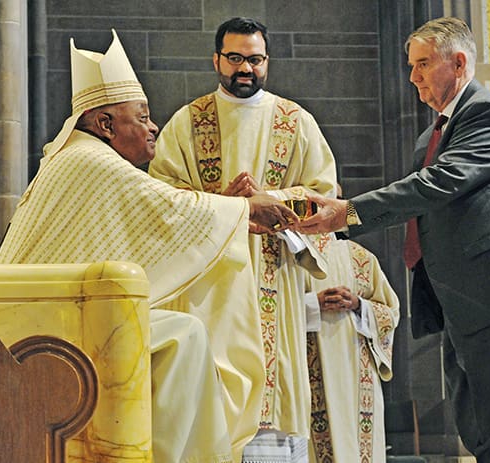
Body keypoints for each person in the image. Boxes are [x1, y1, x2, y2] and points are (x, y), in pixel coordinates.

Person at [0, 30, 299, 463]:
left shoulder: (77, 156)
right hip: (38, 333)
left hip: (41, 321)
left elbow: (155, 217)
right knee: (186, 337)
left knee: (176, 332)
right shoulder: (91, 160)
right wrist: (244, 208)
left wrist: (230, 209)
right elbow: (170, 209)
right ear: (105, 124)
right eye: (141, 116)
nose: (154, 126)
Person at [298, 16, 490, 463]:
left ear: (458, 62)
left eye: (423, 64)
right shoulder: (430, 135)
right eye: (410, 65)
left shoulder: (486, 113)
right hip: (459, 296)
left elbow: (436, 184)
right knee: (475, 423)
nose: (412, 76)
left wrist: (349, 210)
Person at [148, 17, 337, 462]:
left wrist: (267, 201)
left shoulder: (297, 122)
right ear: (216, 60)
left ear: (267, 61)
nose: (245, 68)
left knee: (273, 412)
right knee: (211, 400)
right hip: (208, 284)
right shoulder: (187, 123)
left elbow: (325, 198)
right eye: (234, 58)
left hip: (276, 273)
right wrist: (222, 204)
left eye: (254, 59)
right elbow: (160, 199)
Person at [305, 226, 400, 462]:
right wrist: (312, 304)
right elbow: (268, 311)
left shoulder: (361, 257)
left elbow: (391, 314)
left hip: (358, 373)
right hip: (308, 371)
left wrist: (359, 305)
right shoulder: (292, 254)